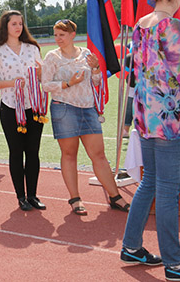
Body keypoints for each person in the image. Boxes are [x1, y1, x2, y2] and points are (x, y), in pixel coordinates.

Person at [121, 0, 180, 279]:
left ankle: (132, 245)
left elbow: (140, 69)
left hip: (145, 114)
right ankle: (174, 263)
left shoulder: (141, 24)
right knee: (166, 191)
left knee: (150, 182)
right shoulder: (173, 25)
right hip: (170, 117)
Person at [41, 19, 129, 215]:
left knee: (99, 155)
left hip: (88, 109)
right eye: (55, 35)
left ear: (73, 35)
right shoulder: (52, 57)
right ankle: (75, 198)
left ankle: (115, 196)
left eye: (62, 35)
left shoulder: (87, 54)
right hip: (63, 109)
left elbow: (96, 82)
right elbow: (45, 85)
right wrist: (67, 83)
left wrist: (97, 68)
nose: (58, 39)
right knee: (69, 155)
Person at [0, 10, 46, 211]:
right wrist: (11, 83)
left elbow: (42, 74)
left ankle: (33, 195)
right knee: (16, 152)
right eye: (14, 24)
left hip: (33, 107)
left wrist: (40, 73)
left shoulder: (32, 48)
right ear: (6, 27)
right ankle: (20, 196)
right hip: (11, 108)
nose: (18, 27)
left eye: (20, 23)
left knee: (33, 152)